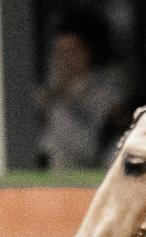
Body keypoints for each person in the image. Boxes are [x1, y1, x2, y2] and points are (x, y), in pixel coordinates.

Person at [35, 14, 127, 171]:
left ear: (88, 51)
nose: (65, 59)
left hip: (92, 165)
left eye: (71, 50)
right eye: (60, 52)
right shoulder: (48, 87)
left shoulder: (105, 87)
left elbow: (97, 143)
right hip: (54, 171)